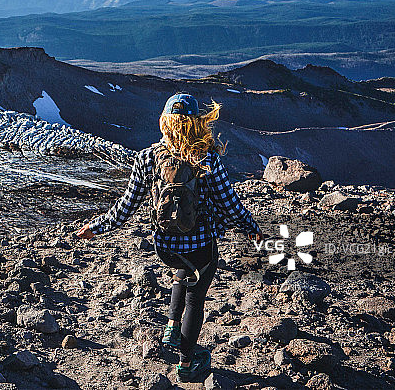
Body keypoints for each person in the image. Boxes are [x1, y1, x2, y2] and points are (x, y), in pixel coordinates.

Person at [75, 93, 263, 383]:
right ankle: (187, 363)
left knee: (182, 271)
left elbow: (126, 205)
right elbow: (228, 203)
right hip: (201, 245)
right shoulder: (206, 157)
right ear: (197, 123)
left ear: (165, 122)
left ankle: (172, 326)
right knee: (195, 298)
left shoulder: (148, 157)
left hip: (164, 246)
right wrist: (250, 227)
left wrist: (97, 227)